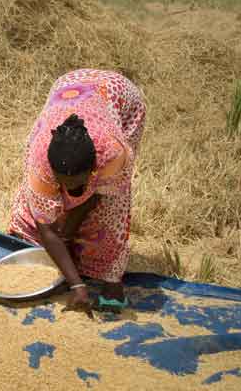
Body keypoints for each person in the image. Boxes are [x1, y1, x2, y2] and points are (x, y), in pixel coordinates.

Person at [8, 69, 145, 312]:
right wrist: (76, 285)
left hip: (119, 96)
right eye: (61, 183)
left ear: (94, 168)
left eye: (77, 183)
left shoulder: (113, 153)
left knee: (110, 212)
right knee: (39, 216)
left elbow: (101, 194)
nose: (68, 190)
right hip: (69, 87)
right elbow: (44, 224)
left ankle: (111, 278)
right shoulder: (39, 161)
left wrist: (69, 230)